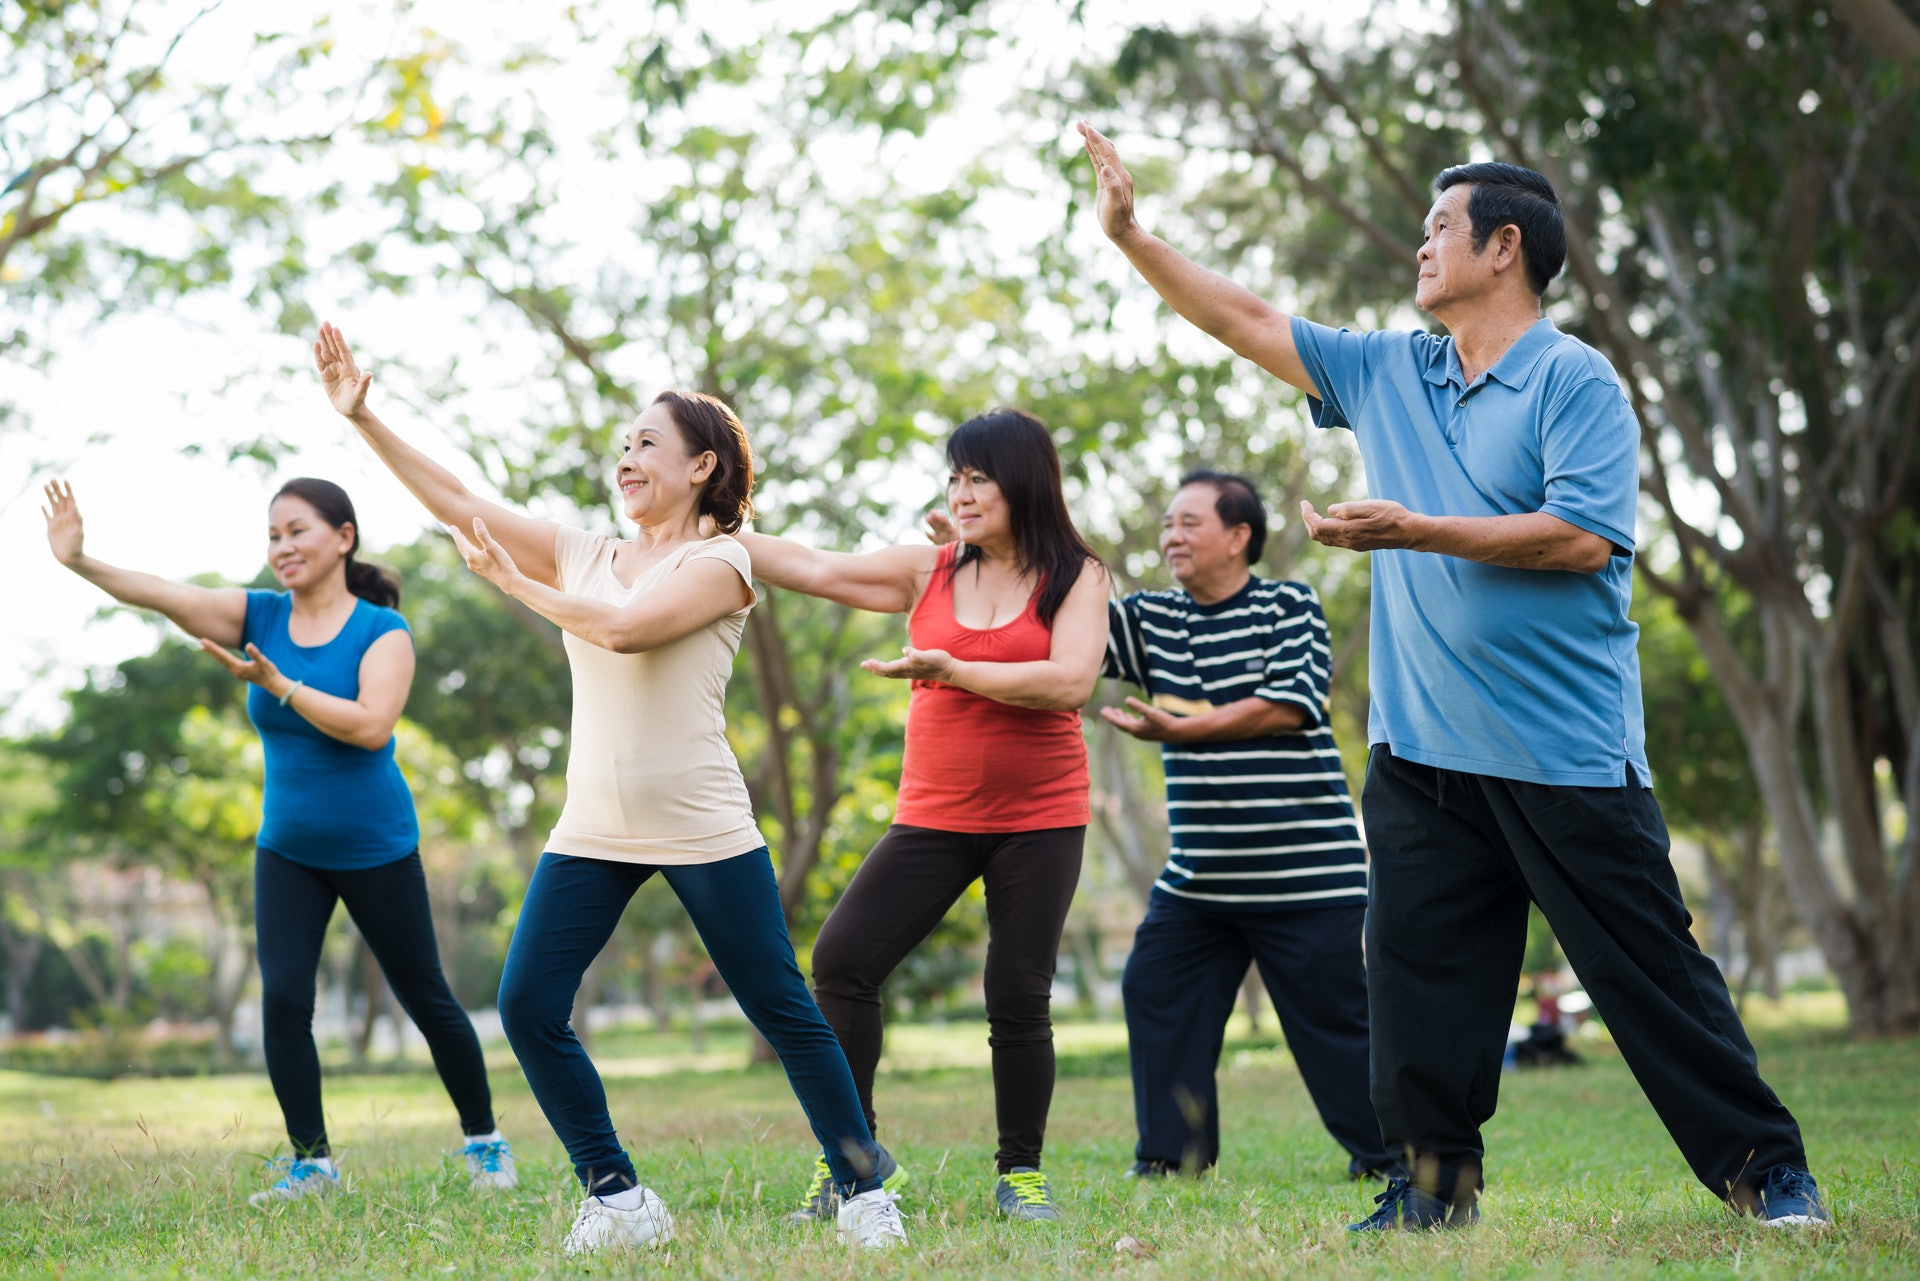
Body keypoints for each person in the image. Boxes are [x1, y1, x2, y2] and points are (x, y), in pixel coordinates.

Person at [1079, 124, 1827, 1230]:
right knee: (1417, 980)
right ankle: (1431, 1191)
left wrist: (1414, 528)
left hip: (1565, 752)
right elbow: (1242, 319)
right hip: (1423, 753)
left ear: (1504, 248)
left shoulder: (1573, 381)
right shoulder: (1390, 370)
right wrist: (1134, 236)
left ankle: (1769, 1172)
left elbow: (1578, 537)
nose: (1422, 248)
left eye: (1441, 230)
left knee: (1649, 980)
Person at [310, 322, 907, 1254]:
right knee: (526, 1004)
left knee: (781, 1007)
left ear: (704, 464)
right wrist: (365, 420)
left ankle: (865, 1186)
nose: (626, 457)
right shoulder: (582, 550)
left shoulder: (723, 561)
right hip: (592, 824)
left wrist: (514, 583)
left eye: (648, 444)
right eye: (623, 443)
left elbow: (627, 631)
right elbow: (457, 500)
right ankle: (620, 1196)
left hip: (701, 822)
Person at [42, 476, 515, 1207]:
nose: (282, 547)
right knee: (285, 998)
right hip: (287, 846)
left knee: (427, 996)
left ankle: (485, 1142)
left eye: (297, 530)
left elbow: (370, 725)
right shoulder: (259, 614)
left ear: (343, 536)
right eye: (272, 535)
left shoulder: (383, 631)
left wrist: (281, 682)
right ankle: (312, 1163)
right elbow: (166, 594)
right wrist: (81, 560)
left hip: (377, 845)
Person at [735, 407, 1109, 1223]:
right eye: (956, 477)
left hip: (1040, 815)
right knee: (841, 960)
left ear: (1025, 481)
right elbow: (810, 564)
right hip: (934, 815)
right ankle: (853, 1161)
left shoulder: (1077, 575)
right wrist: (711, 528)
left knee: (1017, 990)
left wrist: (953, 668)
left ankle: (1022, 1175)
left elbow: (1071, 680)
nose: (963, 492)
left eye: (980, 476)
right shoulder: (929, 570)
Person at [1099, 469, 1395, 1183]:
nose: (1172, 535)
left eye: (1189, 523)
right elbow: (1068, 634)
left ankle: (1392, 1156)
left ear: (1239, 536)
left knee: (1336, 1026)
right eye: (1168, 523)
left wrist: (1183, 727)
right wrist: (983, 562)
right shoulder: (1150, 620)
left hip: (1307, 873)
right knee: (1153, 986)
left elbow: (1289, 702)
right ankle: (1173, 1157)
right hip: (1200, 879)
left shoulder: (1287, 604)